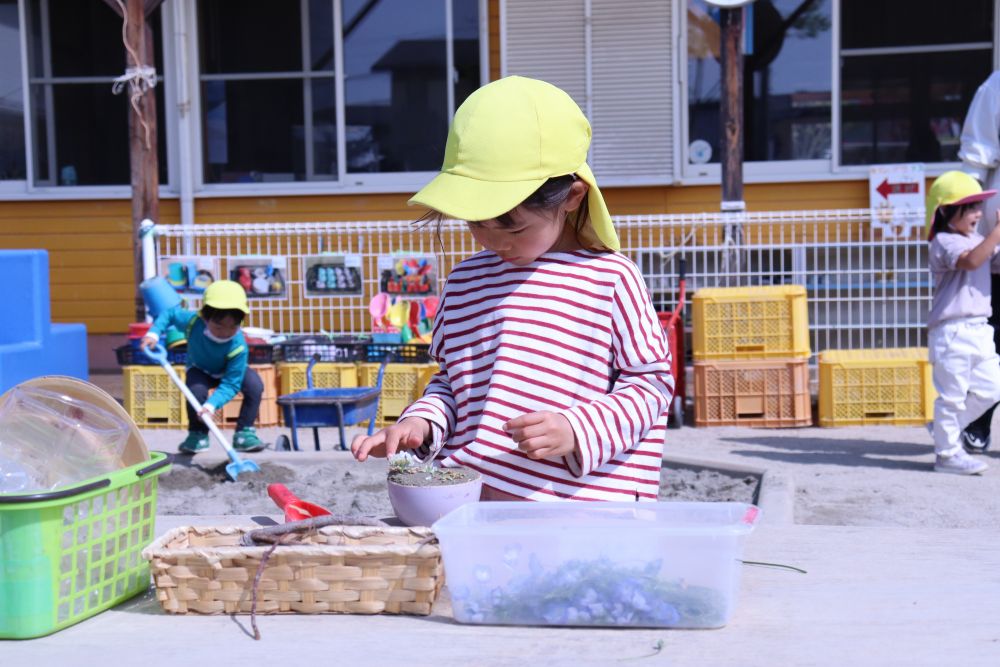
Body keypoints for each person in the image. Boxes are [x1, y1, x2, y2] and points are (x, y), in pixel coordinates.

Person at [351, 76, 675, 501]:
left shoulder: (610, 279)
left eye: (513, 227)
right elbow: (453, 384)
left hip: (582, 509)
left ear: (573, 196)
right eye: (475, 223)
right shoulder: (465, 283)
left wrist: (578, 428)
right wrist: (422, 423)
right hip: (476, 502)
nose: (493, 241)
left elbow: (650, 385)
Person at [925, 170, 1000, 475]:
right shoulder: (944, 241)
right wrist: (997, 233)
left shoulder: (979, 239)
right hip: (952, 331)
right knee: (953, 397)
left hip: (980, 329)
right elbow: (971, 260)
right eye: (968, 208)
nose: (977, 213)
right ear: (945, 211)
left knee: (991, 389)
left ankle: (945, 429)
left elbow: (991, 260)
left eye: (978, 207)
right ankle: (947, 455)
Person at [140, 280, 266, 453]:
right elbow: (169, 314)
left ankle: (244, 433)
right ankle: (198, 435)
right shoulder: (193, 322)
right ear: (205, 318)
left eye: (233, 326)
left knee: (254, 385)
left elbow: (230, 384)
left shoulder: (238, 346)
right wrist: (154, 333)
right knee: (195, 392)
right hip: (200, 368)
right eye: (219, 326)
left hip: (229, 372)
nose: (225, 332)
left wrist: (211, 406)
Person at [956, 71, 1000, 452]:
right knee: (994, 339)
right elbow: (974, 163)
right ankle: (976, 419)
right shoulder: (996, 87)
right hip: (997, 240)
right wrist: (965, 231)